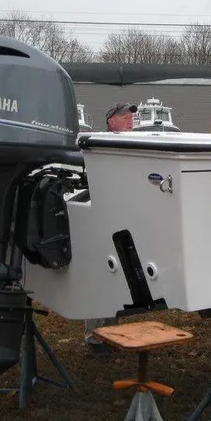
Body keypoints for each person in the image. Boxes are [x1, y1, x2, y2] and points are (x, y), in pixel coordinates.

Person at [83, 102, 138, 354]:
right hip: (101, 221)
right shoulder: (99, 144)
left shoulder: (137, 146)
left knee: (119, 278)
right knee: (100, 279)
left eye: (131, 117)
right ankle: (94, 338)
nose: (130, 120)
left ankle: (110, 332)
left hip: (125, 221)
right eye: (124, 116)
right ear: (110, 121)